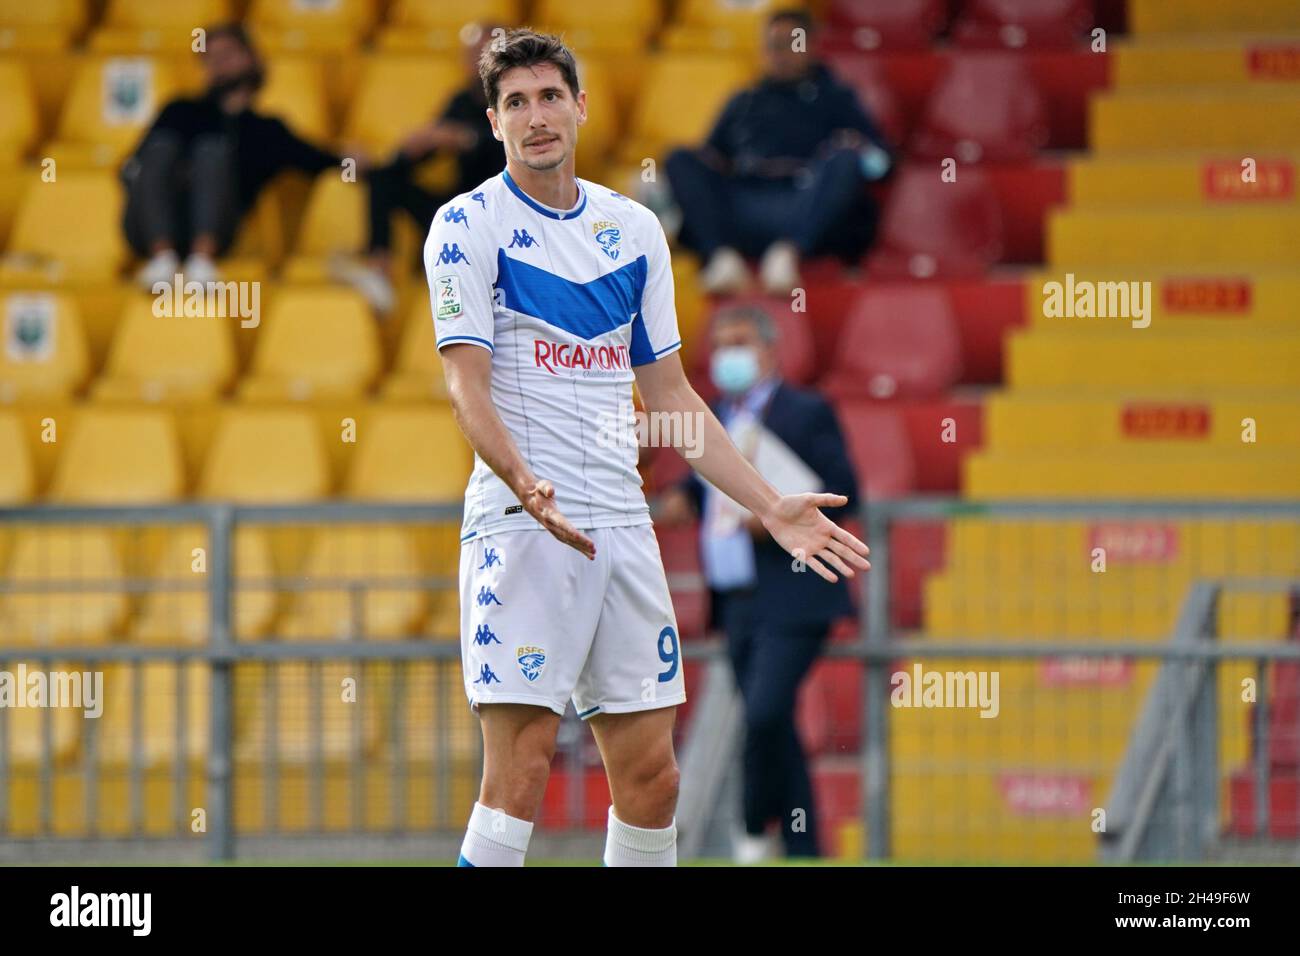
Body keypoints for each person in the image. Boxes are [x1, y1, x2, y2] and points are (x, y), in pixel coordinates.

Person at [427, 29, 870, 868]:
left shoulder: (631, 229)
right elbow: (466, 385)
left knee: (652, 779)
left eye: (549, 96)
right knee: (517, 774)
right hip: (523, 527)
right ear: (493, 123)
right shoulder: (465, 227)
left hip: (620, 528)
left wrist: (768, 503)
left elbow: (669, 396)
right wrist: (523, 482)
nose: (535, 117)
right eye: (514, 103)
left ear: (581, 106)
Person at [657, 304, 859, 860]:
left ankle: (751, 827)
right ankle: (803, 847)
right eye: (720, 345)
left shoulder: (806, 412)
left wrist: (777, 519)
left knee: (765, 712)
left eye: (741, 342)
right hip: (736, 602)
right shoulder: (713, 417)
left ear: (770, 349)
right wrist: (682, 498)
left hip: (794, 597)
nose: (729, 355)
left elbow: (846, 488)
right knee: (779, 726)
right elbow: (713, 484)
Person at [664, 8, 892, 296]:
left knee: (846, 158)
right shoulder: (744, 100)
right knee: (680, 158)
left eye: (789, 44)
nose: (779, 54)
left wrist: (858, 151)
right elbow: (711, 157)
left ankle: (788, 254)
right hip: (745, 203)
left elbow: (882, 163)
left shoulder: (837, 98)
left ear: (810, 47)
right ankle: (722, 257)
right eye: (772, 45)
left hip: (805, 204)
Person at [121, 23, 341, 288]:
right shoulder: (179, 110)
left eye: (226, 55)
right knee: (160, 148)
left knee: (211, 152)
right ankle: (162, 256)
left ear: (251, 57)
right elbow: (134, 167)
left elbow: (317, 161)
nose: (218, 65)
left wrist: (350, 160)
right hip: (147, 226)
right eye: (210, 59)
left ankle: (201, 260)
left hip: (220, 229)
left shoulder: (267, 130)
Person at [334, 23, 504, 313]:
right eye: (473, 55)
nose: (479, 63)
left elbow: (514, 146)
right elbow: (430, 146)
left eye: (487, 54)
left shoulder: (519, 100)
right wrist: (398, 156)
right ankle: (379, 267)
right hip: (458, 211)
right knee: (383, 179)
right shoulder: (462, 100)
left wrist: (463, 138)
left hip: (500, 216)